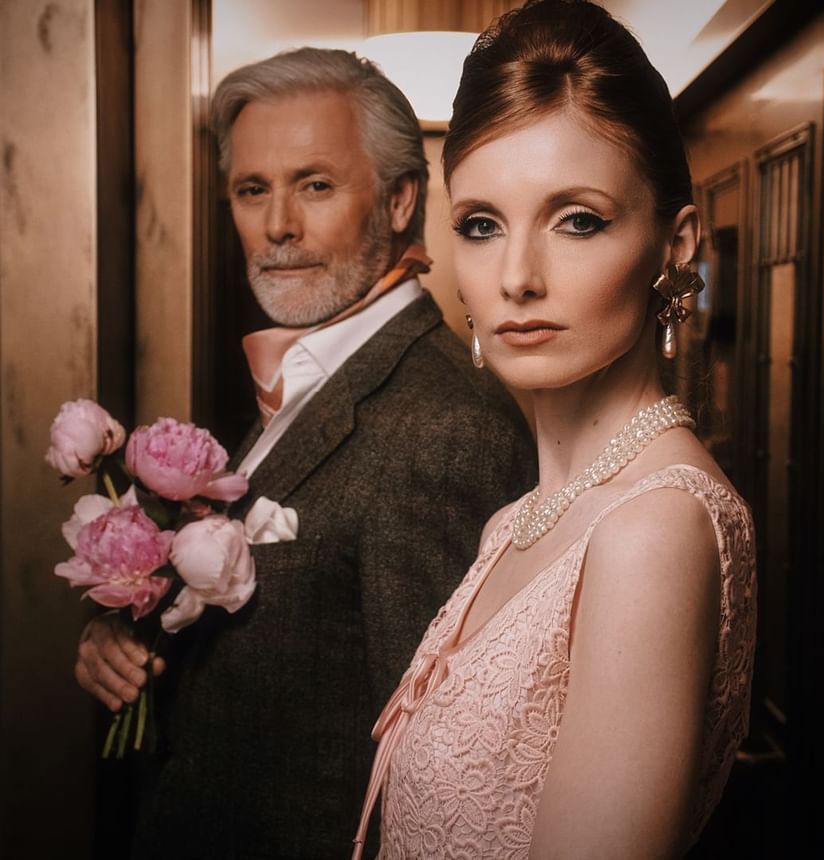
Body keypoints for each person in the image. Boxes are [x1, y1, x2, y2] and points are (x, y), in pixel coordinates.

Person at [73, 48, 537, 859]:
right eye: (253, 190)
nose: (278, 224)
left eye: (315, 184)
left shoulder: (447, 426)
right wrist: (124, 642)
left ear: (399, 200)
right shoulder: (306, 376)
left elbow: (443, 781)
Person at [352, 2, 757, 858]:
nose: (517, 278)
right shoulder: (519, 518)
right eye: (482, 225)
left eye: (578, 219)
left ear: (674, 244)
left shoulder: (652, 529)